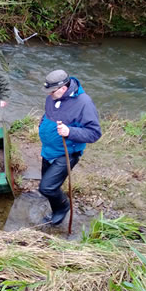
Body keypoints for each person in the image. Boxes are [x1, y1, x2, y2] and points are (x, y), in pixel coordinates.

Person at [38, 69, 101, 225]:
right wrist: (42, 124)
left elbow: (94, 133)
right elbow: (48, 113)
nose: (49, 95)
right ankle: (56, 206)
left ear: (63, 89)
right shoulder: (53, 96)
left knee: (47, 188)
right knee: (48, 186)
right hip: (48, 150)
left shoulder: (84, 103)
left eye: (52, 91)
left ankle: (63, 208)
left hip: (67, 153)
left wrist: (69, 131)